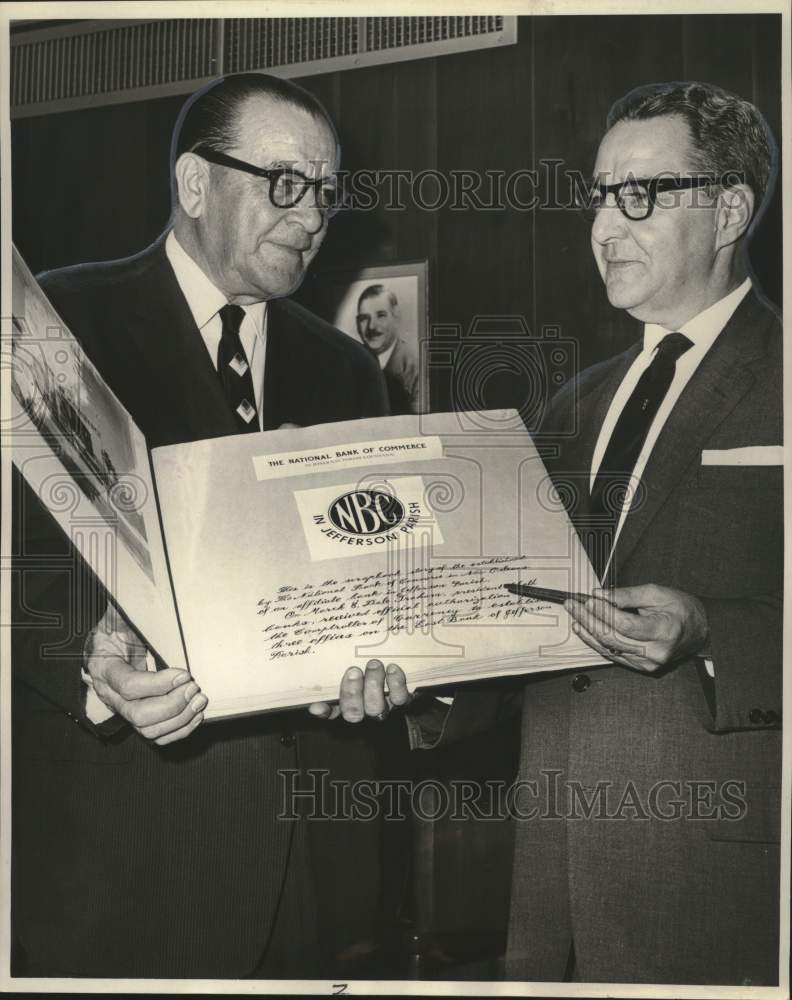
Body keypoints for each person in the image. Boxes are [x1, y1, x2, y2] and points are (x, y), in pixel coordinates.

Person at [318, 81, 783, 985]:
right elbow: (524, 636)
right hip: (544, 885)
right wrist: (426, 676)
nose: (607, 227)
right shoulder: (574, 405)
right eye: (600, 195)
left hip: (718, 879)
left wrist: (716, 632)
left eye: (641, 196)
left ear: (730, 210)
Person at [11, 73, 389, 979]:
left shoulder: (348, 372)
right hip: (122, 859)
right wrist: (85, 658)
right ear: (193, 184)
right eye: (285, 183)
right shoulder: (51, 324)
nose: (312, 216)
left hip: (315, 877)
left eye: (327, 194)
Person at [356, 284, 420, 414]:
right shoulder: (351, 363)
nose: (371, 326)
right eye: (364, 318)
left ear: (396, 317)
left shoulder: (416, 368)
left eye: (381, 315)